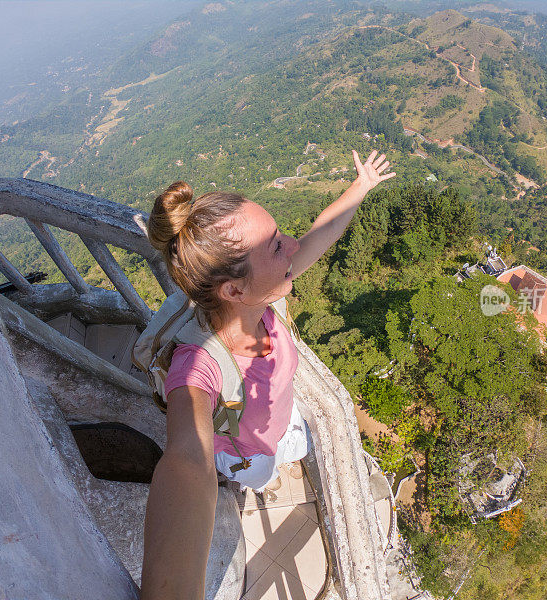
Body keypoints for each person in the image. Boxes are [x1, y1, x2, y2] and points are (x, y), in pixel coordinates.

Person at [140, 150, 395, 600]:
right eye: (278, 245)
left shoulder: (265, 292)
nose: (293, 245)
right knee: (258, 472)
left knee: (284, 446)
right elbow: (185, 461)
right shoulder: (197, 366)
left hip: (277, 421)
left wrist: (362, 186)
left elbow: (322, 232)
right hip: (245, 451)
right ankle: (250, 477)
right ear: (234, 288)